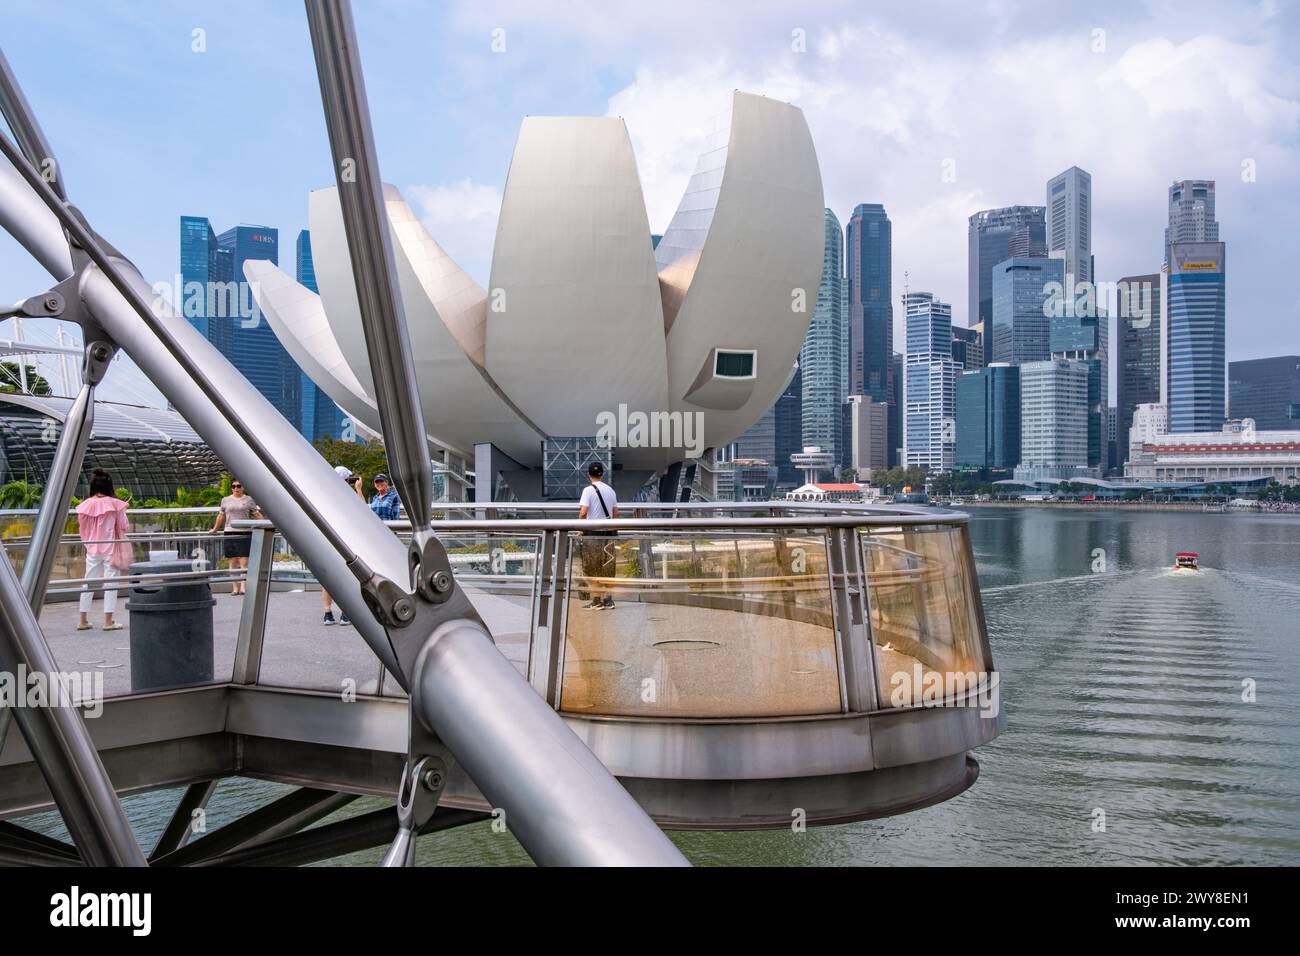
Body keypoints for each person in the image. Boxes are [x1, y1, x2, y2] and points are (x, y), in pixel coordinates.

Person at [75, 468, 130, 631]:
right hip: (111, 547)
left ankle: (83, 620)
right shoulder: (114, 504)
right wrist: (124, 511)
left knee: (88, 582)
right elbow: (124, 526)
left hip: (92, 548)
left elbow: (82, 530)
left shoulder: (84, 506)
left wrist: (90, 544)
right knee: (111, 583)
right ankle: (108, 621)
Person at [322, 465, 364, 626]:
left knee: (328, 577)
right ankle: (346, 613)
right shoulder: (348, 495)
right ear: (346, 480)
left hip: (328, 539)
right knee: (349, 576)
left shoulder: (325, 493)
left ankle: (327, 612)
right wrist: (359, 490)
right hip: (347, 540)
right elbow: (362, 510)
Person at [577, 462, 619, 609]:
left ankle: (597, 600)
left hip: (593, 534)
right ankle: (608, 600)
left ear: (589, 475)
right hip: (608, 534)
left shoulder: (588, 491)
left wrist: (581, 528)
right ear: (602, 474)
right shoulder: (611, 491)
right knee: (607, 566)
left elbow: (583, 512)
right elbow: (615, 513)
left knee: (593, 567)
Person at [210, 479, 263, 596]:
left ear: (243, 487)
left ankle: (243, 587)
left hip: (244, 532)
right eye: (233, 486)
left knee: (244, 561)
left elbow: (257, 514)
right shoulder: (225, 500)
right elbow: (221, 516)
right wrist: (215, 529)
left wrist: (267, 525)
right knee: (232, 561)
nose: (236, 488)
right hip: (230, 532)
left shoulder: (248, 500)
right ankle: (235, 588)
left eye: (239, 486)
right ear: (231, 488)